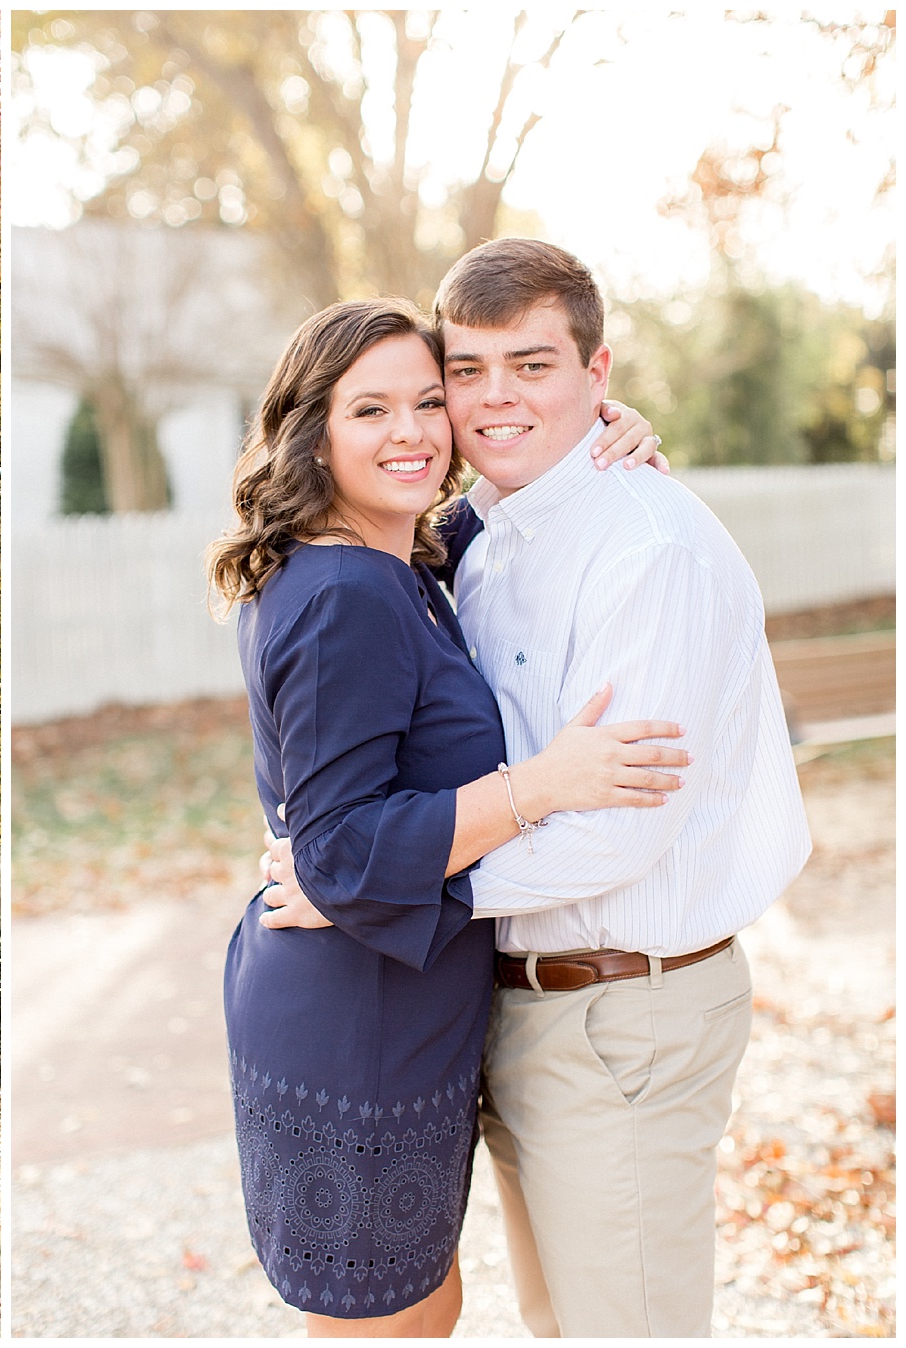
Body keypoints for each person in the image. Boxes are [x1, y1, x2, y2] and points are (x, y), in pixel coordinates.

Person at [257, 239, 811, 1336]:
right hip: (512, 1005)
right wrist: (372, 865)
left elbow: (613, 839)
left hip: (623, 1011)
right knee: (559, 1325)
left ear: (599, 375)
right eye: (465, 372)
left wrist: (383, 883)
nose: (489, 400)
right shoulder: (468, 543)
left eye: (534, 365)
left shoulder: (644, 551)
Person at [206, 295, 689, 1335]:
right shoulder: (348, 593)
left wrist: (606, 419)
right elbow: (338, 851)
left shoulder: (402, 558)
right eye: (371, 410)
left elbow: (516, 474)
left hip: (391, 998)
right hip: (357, 1019)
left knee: (421, 1303)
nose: (417, 432)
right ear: (312, 431)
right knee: (397, 1317)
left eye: (430, 400)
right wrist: (544, 784)